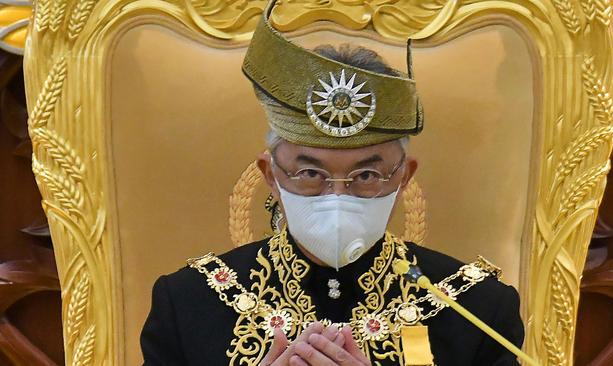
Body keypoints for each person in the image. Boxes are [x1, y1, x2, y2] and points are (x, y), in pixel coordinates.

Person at [140, 1, 524, 365]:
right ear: (271, 174)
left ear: (404, 177)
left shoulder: (476, 307)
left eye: (366, 176)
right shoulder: (190, 301)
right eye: (311, 174)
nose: (337, 195)